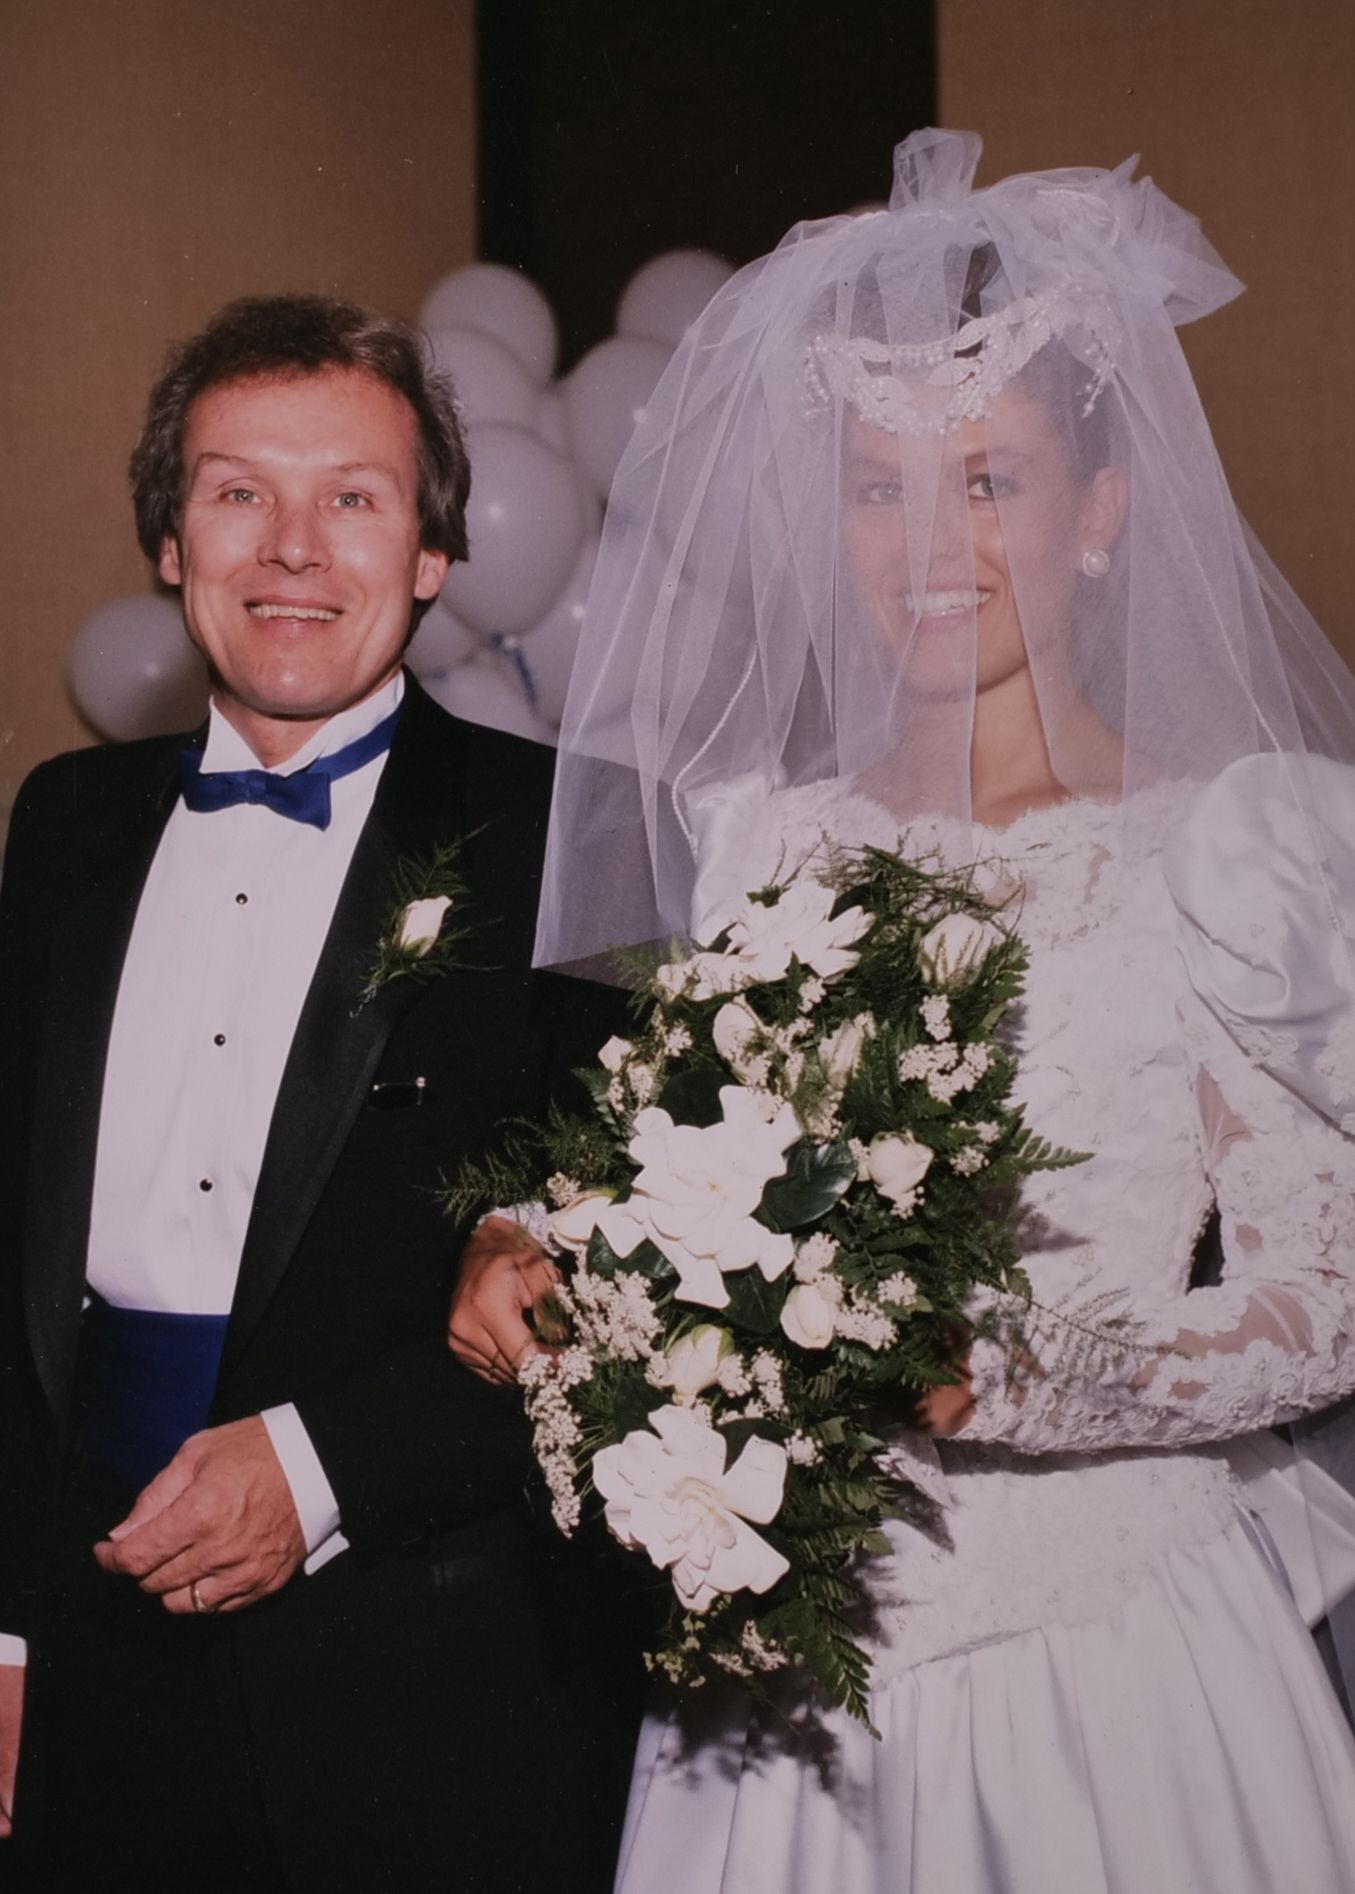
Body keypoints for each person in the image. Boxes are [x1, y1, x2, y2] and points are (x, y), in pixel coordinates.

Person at [451, 132, 1355, 1890]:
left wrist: (1003, 1373)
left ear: (1102, 512)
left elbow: (1320, 1311)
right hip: (794, 1686)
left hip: (1112, 1668)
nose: (927, 542)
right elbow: (695, 1187)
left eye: (988, 480)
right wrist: (533, 1247)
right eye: (879, 488)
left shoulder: (1227, 854)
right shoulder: (761, 839)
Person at [0, 293, 642, 1891]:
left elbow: (645, 1277)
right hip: (87, 1675)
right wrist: (3, 1625)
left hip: (430, 1689)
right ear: (171, 542)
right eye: (239, 492)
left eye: (352, 497)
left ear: (431, 552)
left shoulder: (587, 835)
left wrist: (324, 1465)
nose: (292, 548)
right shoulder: (63, 820)